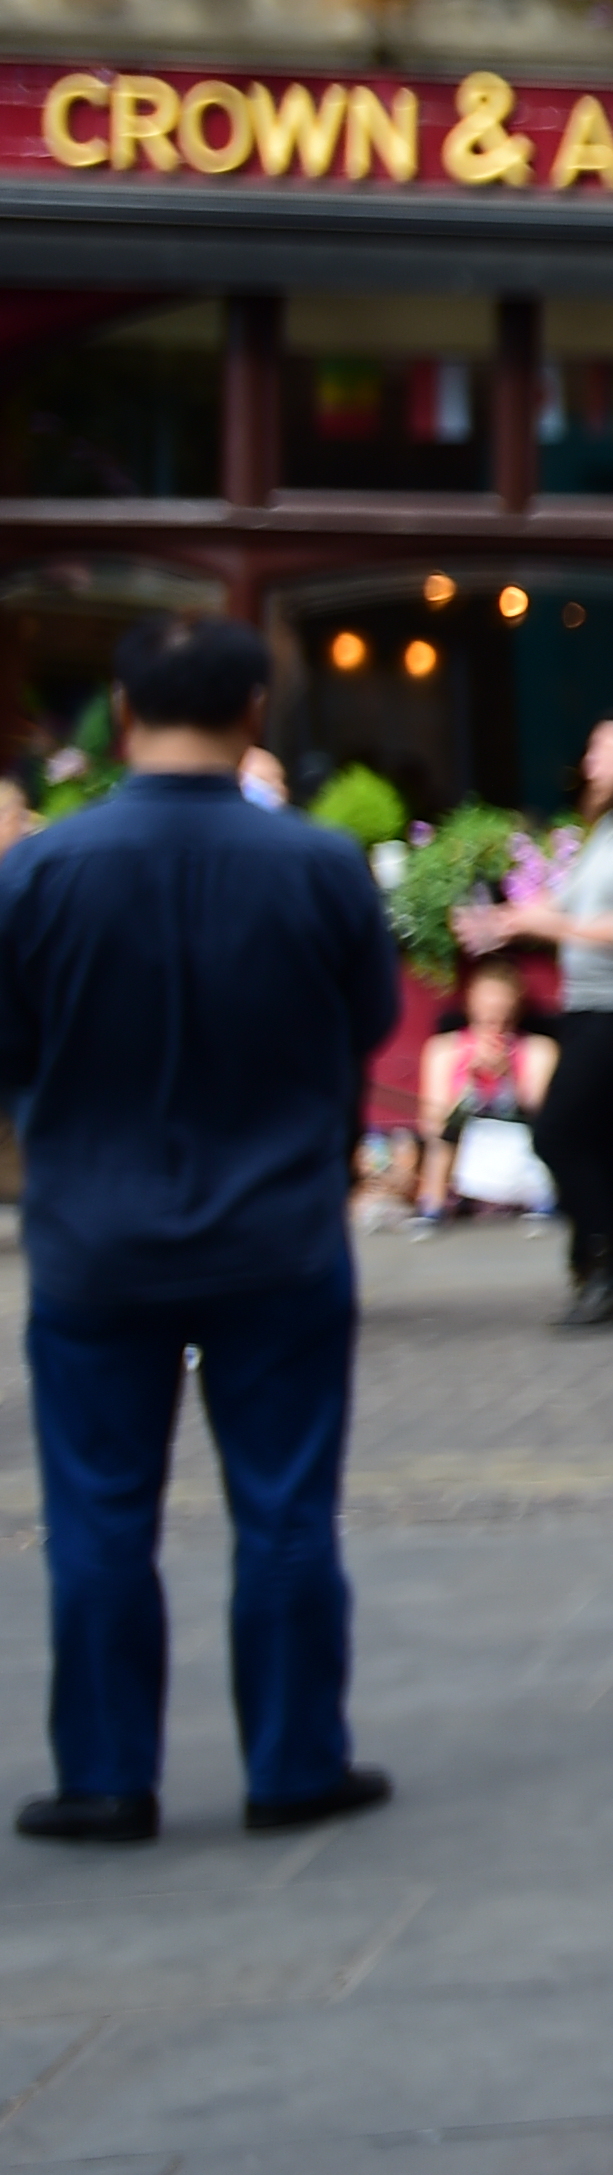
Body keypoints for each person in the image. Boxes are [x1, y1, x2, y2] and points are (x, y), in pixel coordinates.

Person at [0, 613, 398, 1844]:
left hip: (93, 1235)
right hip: (276, 1233)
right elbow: (366, 1026)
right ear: (256, 713)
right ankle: (293, 1762)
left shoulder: (38, 871)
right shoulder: (321, 864)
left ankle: (109, 1775)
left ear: (121, 715)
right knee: (284, 1510)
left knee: (99, 1515)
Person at [457, 713, 613, 1329]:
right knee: (611, 1141)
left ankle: (604, 1265)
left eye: (604, 750)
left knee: (560, 1134)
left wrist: (546, 925)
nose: (589, 761)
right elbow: (569, 905)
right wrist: (507, 920)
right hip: (593, 1010)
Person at [413, 956, 557, 1224]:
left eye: (501, 1001)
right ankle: (432, 1204)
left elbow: (542, 1112)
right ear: (471, 1001)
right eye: (487, 1000)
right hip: (465, 1141)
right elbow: (432, 1121)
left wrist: (508, 1076)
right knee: (440, 1139)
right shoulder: (443, 1050)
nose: (494, 1011)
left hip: (516, 1137)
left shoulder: (539, 1049)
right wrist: (470, 1083)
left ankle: (541, 1198)